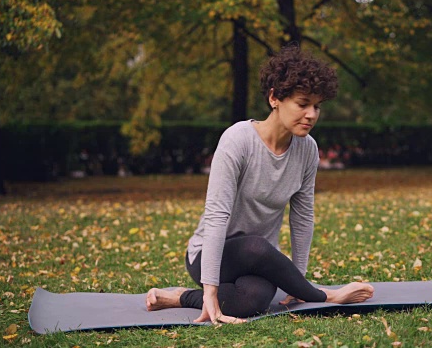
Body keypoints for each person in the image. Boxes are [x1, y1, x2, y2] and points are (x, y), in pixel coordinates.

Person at [145, 45, 374, 324]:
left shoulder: (307, 150)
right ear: (275, 98)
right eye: (303, 104)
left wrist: (296, 284)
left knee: (253, 301)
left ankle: (178, 297)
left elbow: (302, 217)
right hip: (211, 254)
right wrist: (210, 289)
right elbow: (217, 214)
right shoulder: (238, 140)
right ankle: (325, 296)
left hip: (261, 258)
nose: (312, 114)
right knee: (255, 246)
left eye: (317, 106)